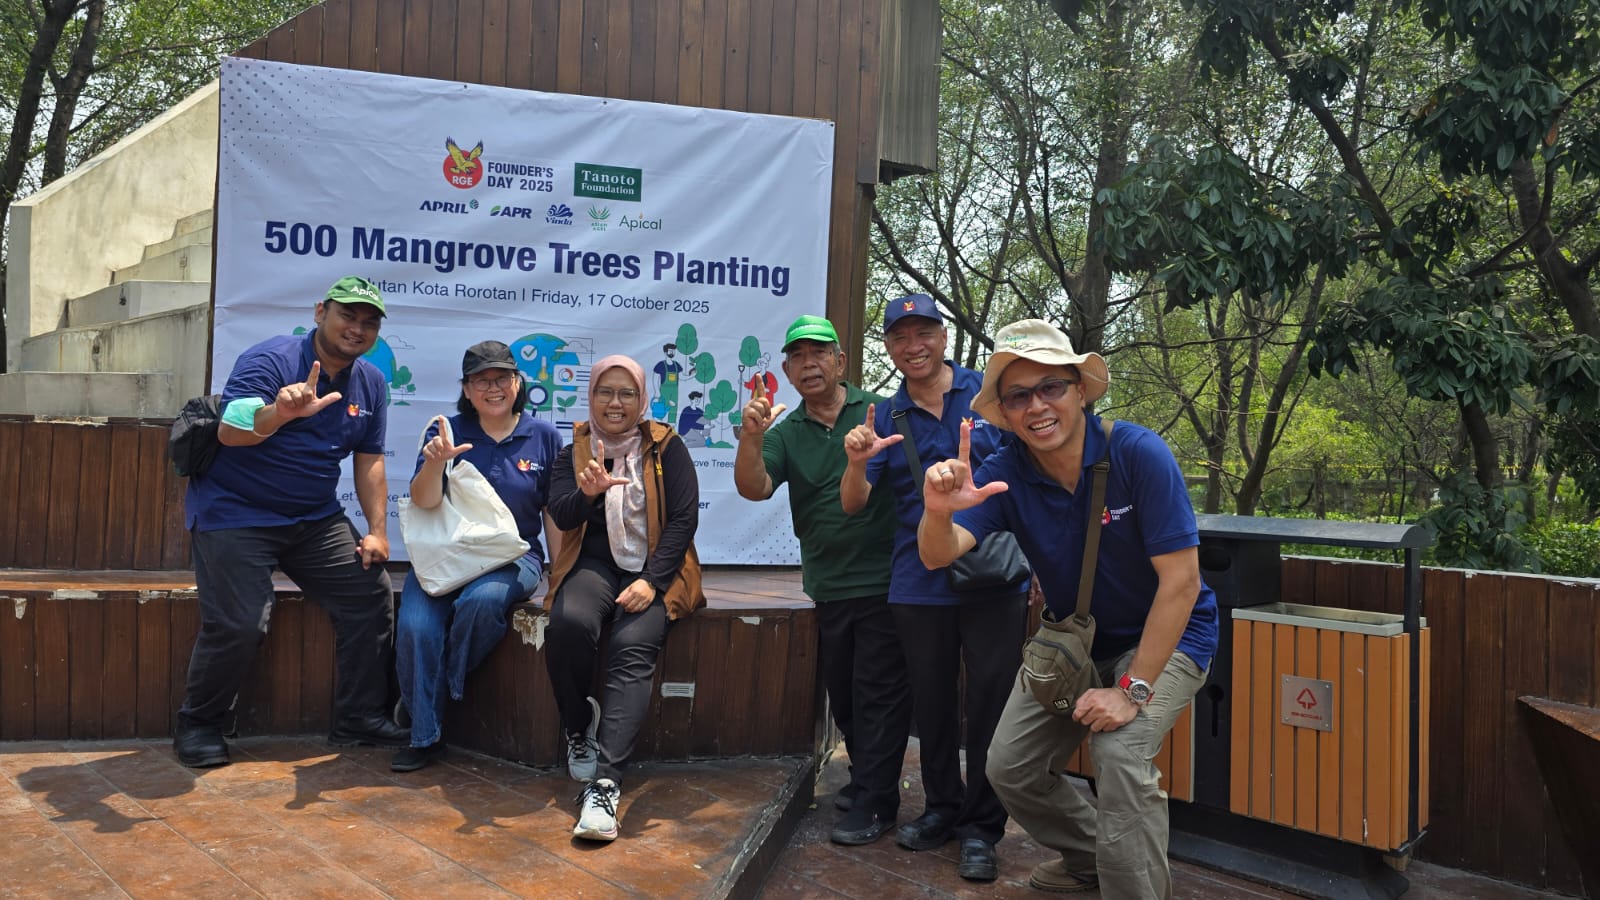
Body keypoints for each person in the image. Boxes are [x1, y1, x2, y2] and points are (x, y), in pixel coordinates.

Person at [916, 319, 1218, 899]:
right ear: (1004, 411)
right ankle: (1092, 859)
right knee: (1008, 767)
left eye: (1051, 387)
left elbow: (1181, 585)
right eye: (1019, 395)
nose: (1037, 406)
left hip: (1169, 639)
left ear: (1080, 390)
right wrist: (937, 512)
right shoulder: (1005, 470)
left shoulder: (1138, 455)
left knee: (1120, 754)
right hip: (1074, 645)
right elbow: (939, 556)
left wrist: (1131, 689)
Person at [174, 275, 408, 768]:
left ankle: (359, 718)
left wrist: (378, 531)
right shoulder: (269, 360)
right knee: (241, 620)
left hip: (313, 518)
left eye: (369, 322)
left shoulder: (371, 382)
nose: (357, 328)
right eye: (348, 315)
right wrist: (278, 414)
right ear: (321, 311)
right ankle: (199, 722)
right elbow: (232, 433)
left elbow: (369, 460)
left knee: (370, 595)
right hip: (234, 511)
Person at [838, 294, 1028, 882]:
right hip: (918, 580)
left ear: (943, 337)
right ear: (888, 348)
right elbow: (853, 503)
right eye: (899, 337)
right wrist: (854, 461)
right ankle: (943, 807)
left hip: (993, 574)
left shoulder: (988, 397)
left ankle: (982, 827)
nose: (913, 346)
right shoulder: (883, 417)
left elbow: (1029, 471)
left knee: (990, 706)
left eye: (923, 333)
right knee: (934, 705)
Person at [735, 315, 912, 846]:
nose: (809, 363)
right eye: (798, 357)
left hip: (888, 578)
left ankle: (880, 801)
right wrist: (750, 437)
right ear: (787, 371)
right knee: (847, 693)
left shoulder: (881, 409)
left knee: (878, 691)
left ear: (840, 360)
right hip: (829, 582)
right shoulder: (784, 431)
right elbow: (754, 487)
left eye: (820, 353)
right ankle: (868, 778)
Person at [543, 355, 704, 842]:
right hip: (594, 563)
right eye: (605, 392)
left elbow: (683, 519)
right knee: (568, 624)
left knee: (632, 648)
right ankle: (578, 728)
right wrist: (588, 494)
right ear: (590, 397)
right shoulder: (574, 448)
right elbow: (563, 515)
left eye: (626, 393)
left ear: (642, 400)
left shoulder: (665, 445)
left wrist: (653, 581)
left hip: (654, 566)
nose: (615, 403)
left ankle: (606, 786)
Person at [391, 341, 564, 772]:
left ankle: (432, 699)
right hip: (444, 557)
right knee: (415, 625)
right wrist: (434, 464)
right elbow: (424, 502)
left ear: (517, 383)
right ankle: (424, 738)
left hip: (513, 558)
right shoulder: (445, 431)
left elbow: (552, 513)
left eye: (501, 378)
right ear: (466, 390)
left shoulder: (544, 436)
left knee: (482, 602)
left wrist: (560, 578)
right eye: (481, 380)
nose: (493, 388)